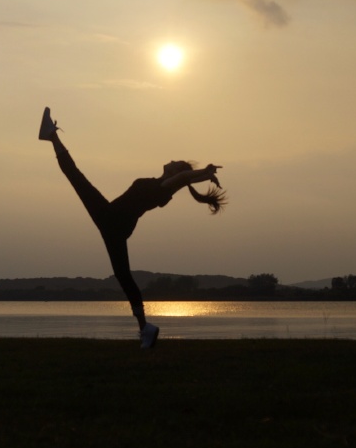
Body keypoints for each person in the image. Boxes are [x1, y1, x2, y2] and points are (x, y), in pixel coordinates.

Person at [39, 107, 226, 348]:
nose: (170, 160)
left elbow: (182, 179)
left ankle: (51, 136)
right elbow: (184, 178)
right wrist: (202, 174)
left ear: (175, 170)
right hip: (113, 219)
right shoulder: (160, 184)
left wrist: (204, 172)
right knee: (122, 274)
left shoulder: (164, 189)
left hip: (113, 220)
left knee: (75, 176)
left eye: (175, 162)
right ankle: (145, 328)